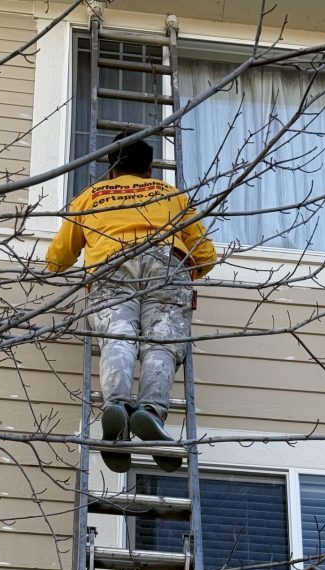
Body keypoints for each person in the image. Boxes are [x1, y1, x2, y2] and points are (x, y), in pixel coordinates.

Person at [45, 135, 216, 473]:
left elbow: (57, 260)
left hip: (111, 262)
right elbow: (207, 255)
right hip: (167, 261)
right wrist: (186, 275)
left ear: (110, 168)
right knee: (162, 341)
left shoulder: (90, 197)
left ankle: (118, 406)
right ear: (149, 169)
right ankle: (150, 412)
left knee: (118, 334)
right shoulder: (171, 195)